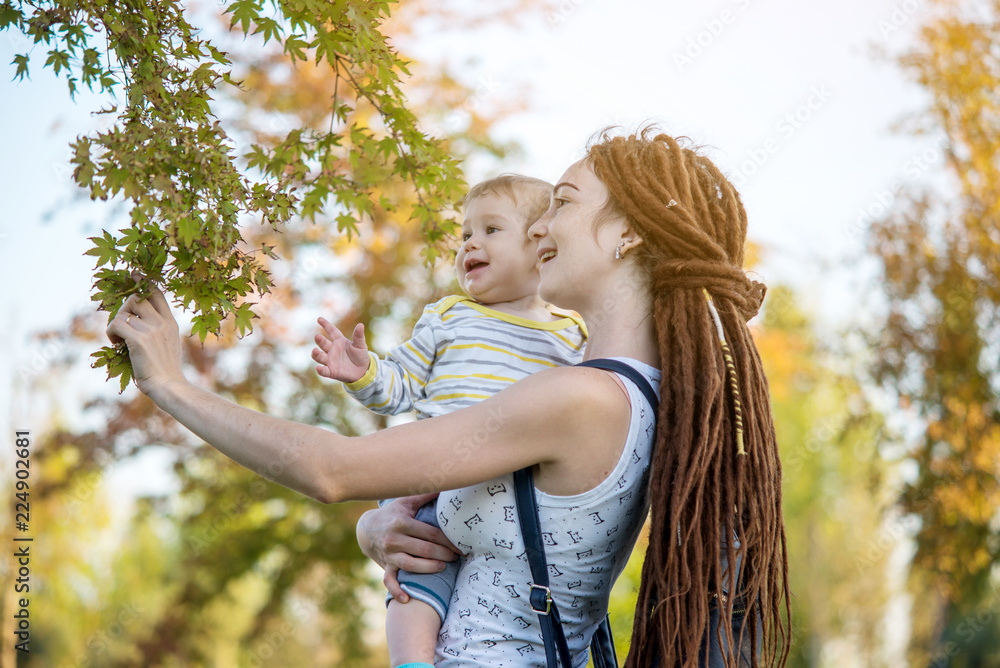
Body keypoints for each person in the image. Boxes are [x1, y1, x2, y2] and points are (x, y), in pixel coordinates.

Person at [107, 129, 789, 668]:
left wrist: (170, 383)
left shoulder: (580, 399)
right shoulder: (636, 394)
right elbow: (478, 528)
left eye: (565, 202)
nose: (541, 228)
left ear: (628, 233)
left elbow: (331, 469)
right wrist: (381, 529)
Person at [314, 174, 587, 668]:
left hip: (513, 496)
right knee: (416, 589)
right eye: (465, 235)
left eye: (491, 230)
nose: (470, 244)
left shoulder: (571, 333)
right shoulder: (448, 316)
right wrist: (362, 372)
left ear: (538, 246)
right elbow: (400, 386)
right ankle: (413, 662)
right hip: (431, 487)